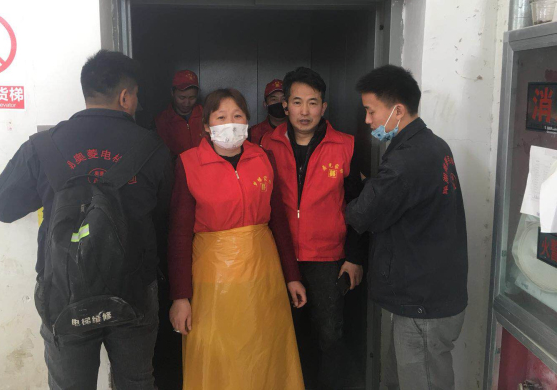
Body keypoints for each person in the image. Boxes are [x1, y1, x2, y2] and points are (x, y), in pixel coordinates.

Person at [0, 50, 173, 390]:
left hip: (63, 290)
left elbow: (1, 207)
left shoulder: (43, 147)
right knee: (136, 382)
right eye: (136, 96)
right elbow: (164, 213)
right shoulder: (153, 149)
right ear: (125, 97)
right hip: (133, 288)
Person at [168, 88, 306, 390]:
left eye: (237, 116)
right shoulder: (189, 164)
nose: (230, 123)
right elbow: (179, 235)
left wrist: (292, 277)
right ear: (207, 126)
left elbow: (279, 222)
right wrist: (180, 297)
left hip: (264, 276)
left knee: (264, 352)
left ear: (247, 121)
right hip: (211, 282)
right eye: (221, 117)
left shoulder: (264, 158)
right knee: (220, 355)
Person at [345, 65, 468, 390]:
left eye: (371, 111)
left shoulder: (406, 160)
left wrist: (353, 192)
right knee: (397, 382)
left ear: (397, 110)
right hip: (429, 294)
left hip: (422, 305)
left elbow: (362, 214)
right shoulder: (433, 145)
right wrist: (374, 186)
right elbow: (406, 199)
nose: (368, 120)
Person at [261, 67, 366, 390]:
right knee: (282, 333)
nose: (304, 111)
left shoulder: (345, 146)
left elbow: (359, 208)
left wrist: (354, 257)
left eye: (312, 102)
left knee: (330, 335)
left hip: (328, 257)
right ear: (285, 106)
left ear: (324, 106)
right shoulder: (266, 144)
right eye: (297, 102)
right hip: (279, 256)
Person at [155, 69, 203, 156]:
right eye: (182, 98)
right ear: (172, 93)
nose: (187, 103)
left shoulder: (206, 115)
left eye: (192, 98)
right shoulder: (162, 121)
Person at [249, 78, 287, 144]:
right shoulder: (253, 133)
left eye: (283, 99)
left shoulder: (298, 130)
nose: (279, 102)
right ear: (265, 104)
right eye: (274, 99)